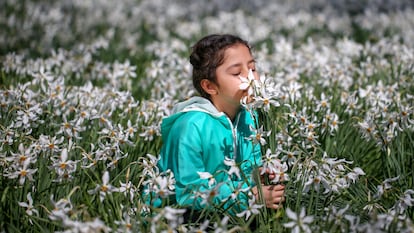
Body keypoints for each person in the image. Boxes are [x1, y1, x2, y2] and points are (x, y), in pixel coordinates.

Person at [157, 34, 285, 222]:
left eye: (252, 68)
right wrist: (251, 197)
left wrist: (261, 175)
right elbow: (189, 192)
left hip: (227, 214)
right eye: (236, 73)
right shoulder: (189, 126)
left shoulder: (249, 116)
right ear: (210, 86)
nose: (251, 78)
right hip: (177, 218)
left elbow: (250, 166)